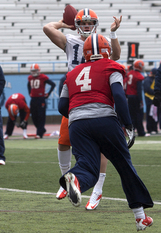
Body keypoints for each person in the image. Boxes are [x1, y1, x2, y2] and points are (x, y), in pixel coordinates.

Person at [59, 34, 153, 231]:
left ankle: (74, 178)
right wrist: (127, 124)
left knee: (87, 166)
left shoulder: (71, 73)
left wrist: (80, 115)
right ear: (107, 51)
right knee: (124, 166)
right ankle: (139, 217)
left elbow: (62, 106)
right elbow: (119, 96)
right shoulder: (112, 67)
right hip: (104, 119)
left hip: (76, 123)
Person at [43, 8, 122, 209]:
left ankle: (98, 189)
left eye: (90, 22)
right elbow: (47, 27)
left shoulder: (100, 41)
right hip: (75, 96)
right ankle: (66, 179)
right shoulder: (70, 41)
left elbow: (117, 56)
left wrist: (113, 34)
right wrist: (64, 23)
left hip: (98, 95)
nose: (86, 25)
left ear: (95, 24)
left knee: (102, 146)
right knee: (63, 142)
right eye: (82, 22)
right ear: (77, 25)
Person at [27, 63, 56, 138]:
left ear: (38, 70)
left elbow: (53, 84)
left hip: (41, 99)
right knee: (34, 117)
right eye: (32, 71)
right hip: (33, 99)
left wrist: (48, 94)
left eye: (35, 71)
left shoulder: (43, 77)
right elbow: (28, 85)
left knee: (41, 116)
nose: (33, 72)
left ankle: (39, 134)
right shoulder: (30, 78)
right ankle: (41, 129)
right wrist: (30, 92)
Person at [126, 59, 148, 137]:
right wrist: (141, 100)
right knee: (139, 115)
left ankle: (131, 132)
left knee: (131, 115)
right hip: (135, 97)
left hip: (129, 97)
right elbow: (138, 90)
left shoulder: (129, 74)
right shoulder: (138, 76)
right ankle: (141, 132)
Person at [144, 68, 158, 134]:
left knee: (154, 114)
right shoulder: (147, 80)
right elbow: (147, 89)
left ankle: (154, 128)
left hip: (154, 99)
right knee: (150, 115)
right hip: (149, 99)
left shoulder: (153, 79)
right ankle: (150, 129)